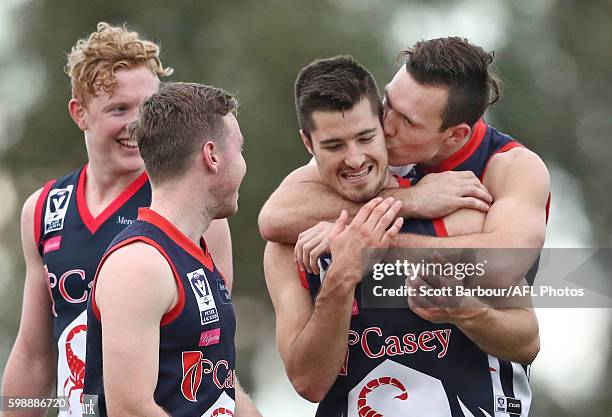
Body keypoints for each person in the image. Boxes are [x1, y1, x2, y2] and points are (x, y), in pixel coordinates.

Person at [263, 50, 547, 417]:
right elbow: (274, 216)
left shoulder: (490, 186)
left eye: (407, 121)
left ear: (455, 134)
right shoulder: (351, 165)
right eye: (388, 105)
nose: (387, 125)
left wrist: (369, 244)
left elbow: (514, 296)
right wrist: (407, 201)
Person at [0, 23, 233, 417]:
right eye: (118, 109)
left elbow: (217, 356)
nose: (136, 125)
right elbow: (35, 355)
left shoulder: (191, 206)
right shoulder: (43, 209)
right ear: (80, 114)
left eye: (147, 108)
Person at [83, 82, 257, 417]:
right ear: (212, 156)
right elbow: (131, 409)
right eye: (240, 150)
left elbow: (218, 379)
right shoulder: (140, 264)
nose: (243, 164)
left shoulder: (194, 251)